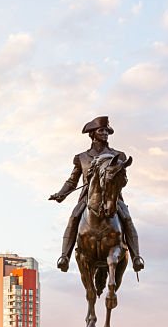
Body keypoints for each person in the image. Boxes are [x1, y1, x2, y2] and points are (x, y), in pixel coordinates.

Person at [49, 116, 144, 272]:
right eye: (102, 130)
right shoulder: (82, 158)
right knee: (73, 218)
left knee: (127, 218)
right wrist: (61, 194)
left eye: (107, 131)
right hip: (88, 199)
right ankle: (64, 256)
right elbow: (72, 181)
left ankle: (136, 257)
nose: (105, 133)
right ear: (92, 134)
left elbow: (124, 180)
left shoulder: (118, 156)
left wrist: (116, 179)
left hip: (112, 197)